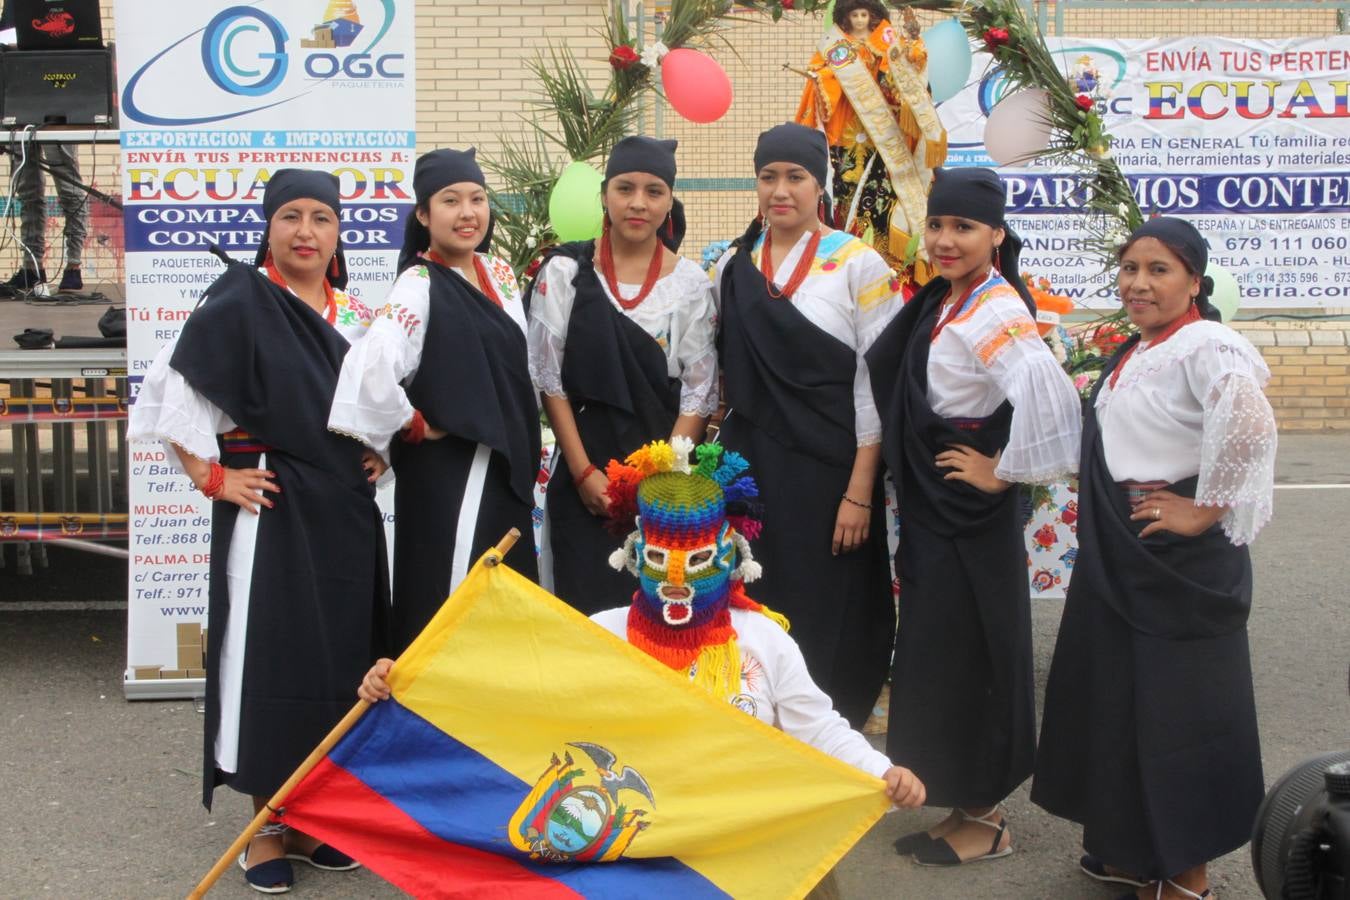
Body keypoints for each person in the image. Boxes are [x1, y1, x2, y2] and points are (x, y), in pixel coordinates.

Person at [359, 438, 927, 897]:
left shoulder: (764, 641)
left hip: (741, 851)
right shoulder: (598, 633)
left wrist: (881, 771)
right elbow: (510, 693)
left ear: (730, 557)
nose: (676, 579)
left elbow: (819, 727)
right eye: (658, 559)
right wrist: (408, 683)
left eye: (698, 561)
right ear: (633, 555)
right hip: (635, 856)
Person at [129, 169, 389, 894]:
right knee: (265, 660)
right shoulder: (240, 302)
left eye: (321, 218)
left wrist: (378, 448)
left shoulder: (356, 316)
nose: (306, 231)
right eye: (291, 216)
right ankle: (265, 825)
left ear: (339, 234)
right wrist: (214, 478)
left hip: (345, 517)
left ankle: (314, 814)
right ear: (268, 226)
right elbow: (171, 391)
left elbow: (380, 406)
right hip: (269, 509)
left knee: (340, 661)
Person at [1030, 217, 1276, 900]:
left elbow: (1251, 422)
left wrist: (1205, 508)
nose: (1139, 283)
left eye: (1159, 270)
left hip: (1176, 565)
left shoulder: (1205, 343)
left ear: (1194, 281)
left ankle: (1186, 874)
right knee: (1118, 703)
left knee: (1179, 716)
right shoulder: (1143, 348)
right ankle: (1132, 850)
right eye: (1131, 268)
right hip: (1127, 551)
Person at [865, 167, 1081, 866]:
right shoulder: (953, 298)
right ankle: (962, 803)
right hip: (938, 511)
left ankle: (987, 819)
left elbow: (1051, 401)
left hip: (966, 513)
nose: (946, 240)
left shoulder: (993, 308)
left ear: (996, 234)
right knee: (939, 657)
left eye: (964, 227)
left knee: (975, 652)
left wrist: (1001, 470)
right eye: (937, 225)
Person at [712, 122, 901, 729]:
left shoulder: (858, 264)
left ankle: (831, 733)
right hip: (751, 471)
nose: (780, 190)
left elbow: (876, 384)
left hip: (831, 472)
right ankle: (760, 728)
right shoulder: (732, 266)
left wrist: (860, 490)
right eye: (768, 177)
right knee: (757, 599)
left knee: (829, 603)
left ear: (818, 185)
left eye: (795, 177)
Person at [329, 148, 541, 653]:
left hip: (503, 465)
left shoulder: (501, 274)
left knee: (504, 597)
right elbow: (373, 368)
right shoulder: (418, 283)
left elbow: (517, 370)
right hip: (452, 473)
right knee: (454, 594)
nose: (468, 213)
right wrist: (418, 424)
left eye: (477, 199)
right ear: (424, 215)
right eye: (451, 201)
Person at [527, 136, 717, 613]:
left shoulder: (691, 283)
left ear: (669, 201)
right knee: (584, 609)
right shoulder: (565, 274)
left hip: (664, 480)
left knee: (662, 612)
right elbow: (549, 380)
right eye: (625, 187)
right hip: (584, 471)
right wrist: (584, 472)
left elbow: (698, 389)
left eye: (654, 191)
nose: (638, 203)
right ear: (604, 196)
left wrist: (658, 479)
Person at [794, 0, 945, 287]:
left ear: (874, 16)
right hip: (849, 134)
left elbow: (902, 76)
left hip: (884, 136)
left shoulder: (886, 41)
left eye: (865, 14)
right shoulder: (834, 48)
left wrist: (906, 52)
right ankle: (849, 256)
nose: (861, 20)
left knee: (885, 197)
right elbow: (822, 77)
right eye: (855, 15)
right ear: (845, 17)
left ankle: (890, 264)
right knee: (848, 192)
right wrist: (823, 79)